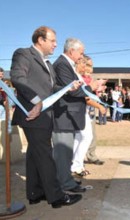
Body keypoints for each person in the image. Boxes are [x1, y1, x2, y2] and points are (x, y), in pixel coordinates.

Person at [9, 26, 82, 208]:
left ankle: (35, 193)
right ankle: (56, 197)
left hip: (45, 114)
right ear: (40, 40)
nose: (56, 45)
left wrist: (68, 88)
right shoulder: (24, 54)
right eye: (52, 41)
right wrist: (37, 101)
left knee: (35, 154)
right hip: (32, 114)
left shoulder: (48, 64)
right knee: (45, 155)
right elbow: (18, 78)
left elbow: (52, 89)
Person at [52, 38, 97, 192]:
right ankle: (64, 184)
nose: (81, 57)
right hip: (64, 114)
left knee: (66, 152)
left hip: (68, 114)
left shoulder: (65, 64)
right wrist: (91, 86)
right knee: (63, 152)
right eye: (81, 53)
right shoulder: (62, 65)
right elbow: (72, 91)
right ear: (72, 51)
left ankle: (66, 180)